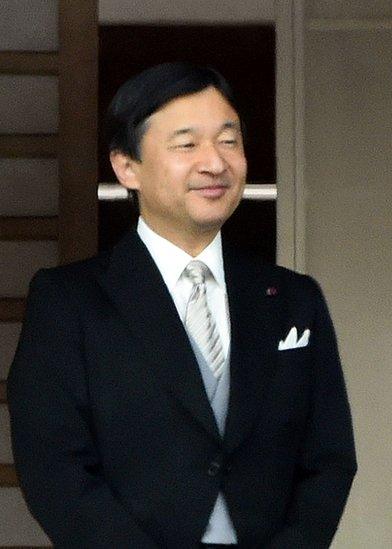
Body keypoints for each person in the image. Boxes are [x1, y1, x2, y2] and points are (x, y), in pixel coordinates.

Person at [7, 63, 356, 548]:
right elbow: (54, 467)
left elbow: (330, 457)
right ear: (127, 167)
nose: (215, 163)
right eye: (187, 144)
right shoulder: (69, 301)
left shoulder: (294, 299)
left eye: (228, 141)